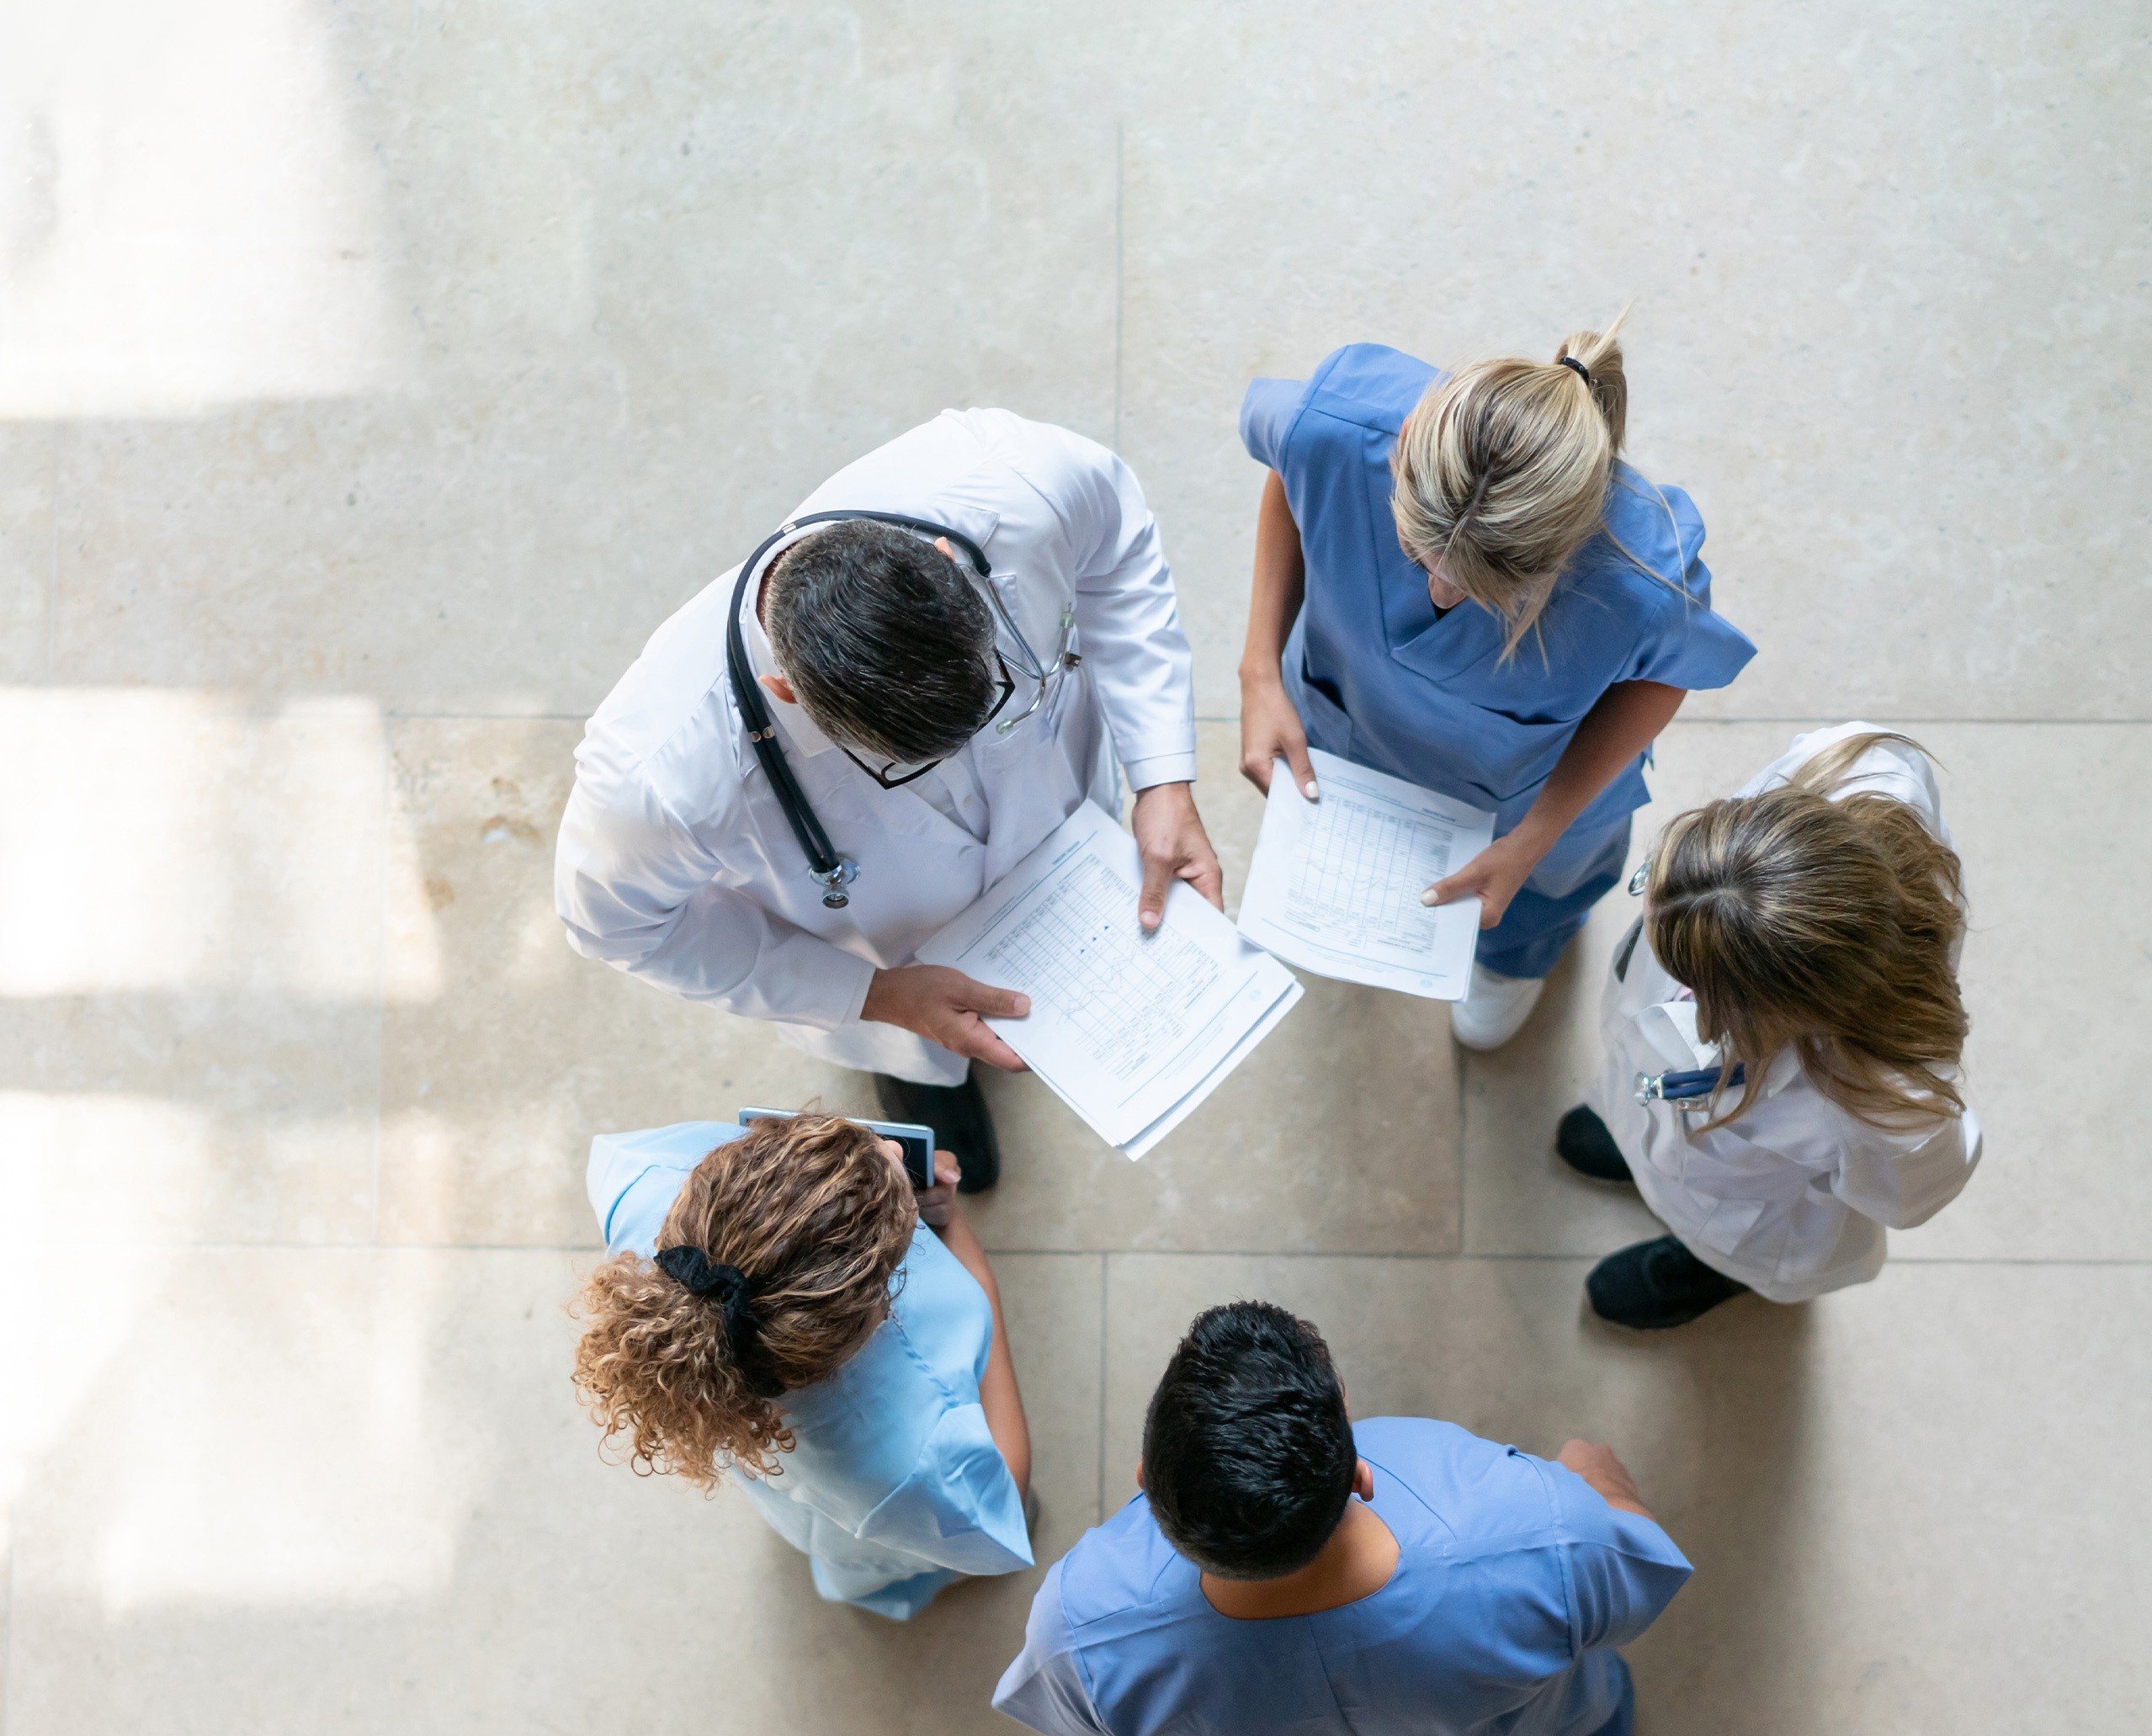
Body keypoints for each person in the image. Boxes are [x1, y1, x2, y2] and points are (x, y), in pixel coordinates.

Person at [556, 411, 1224, 1192]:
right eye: (904, 764)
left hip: (1062, 835)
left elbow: (1119, 548)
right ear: (786, 693)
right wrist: (872, 994)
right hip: (889, 958)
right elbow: (614, 925)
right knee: (928, 1066)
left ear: (949, 564)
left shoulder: (1012, 482)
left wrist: (1162, 774)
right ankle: (927, 1086)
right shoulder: (656, 778)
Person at [1235, 319, 1756, 1049]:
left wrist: (1534, 840)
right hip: (1346, 714)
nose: (1442, 595)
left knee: (1534, 903)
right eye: (1417, 553)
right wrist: (1259, 670)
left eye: (1486, 587)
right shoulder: (1335, 427)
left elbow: (1665, 679)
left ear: (1573, 551)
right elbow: (1293, 475)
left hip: (1535, 801)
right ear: (1405, 445)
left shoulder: (1641, 578)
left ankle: (1514, 962)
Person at [992, 1301, 1690, 1736]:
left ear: (1147, 1479)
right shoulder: (1543, 1537)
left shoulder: (1081, 1630)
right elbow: (1640, 1582)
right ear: (1359, 1474)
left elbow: (1060, 1714)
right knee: (1577, 1724)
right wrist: (1601, 1485)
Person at [1557, 722, 1983, 1328]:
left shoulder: (1889, 1106)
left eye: (1692, 986)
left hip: (1738, 1213)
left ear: (1762, 1011)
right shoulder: (1854, 769)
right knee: (1644, 1098)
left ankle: (1708, 1269)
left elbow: (1908, 1196)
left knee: (1723, 1229)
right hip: (1667, 1091)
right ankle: (1638, 1142)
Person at [576, 1109, 1033, 1620]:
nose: (895, 1150)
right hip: (871, 1506)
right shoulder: (911, 1461)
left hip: (795, 1481)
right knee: (899, 1554)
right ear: (872, 1318)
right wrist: (970, 1263)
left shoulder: (645, 1180)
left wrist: (833, 1173)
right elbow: (1002, 1497)